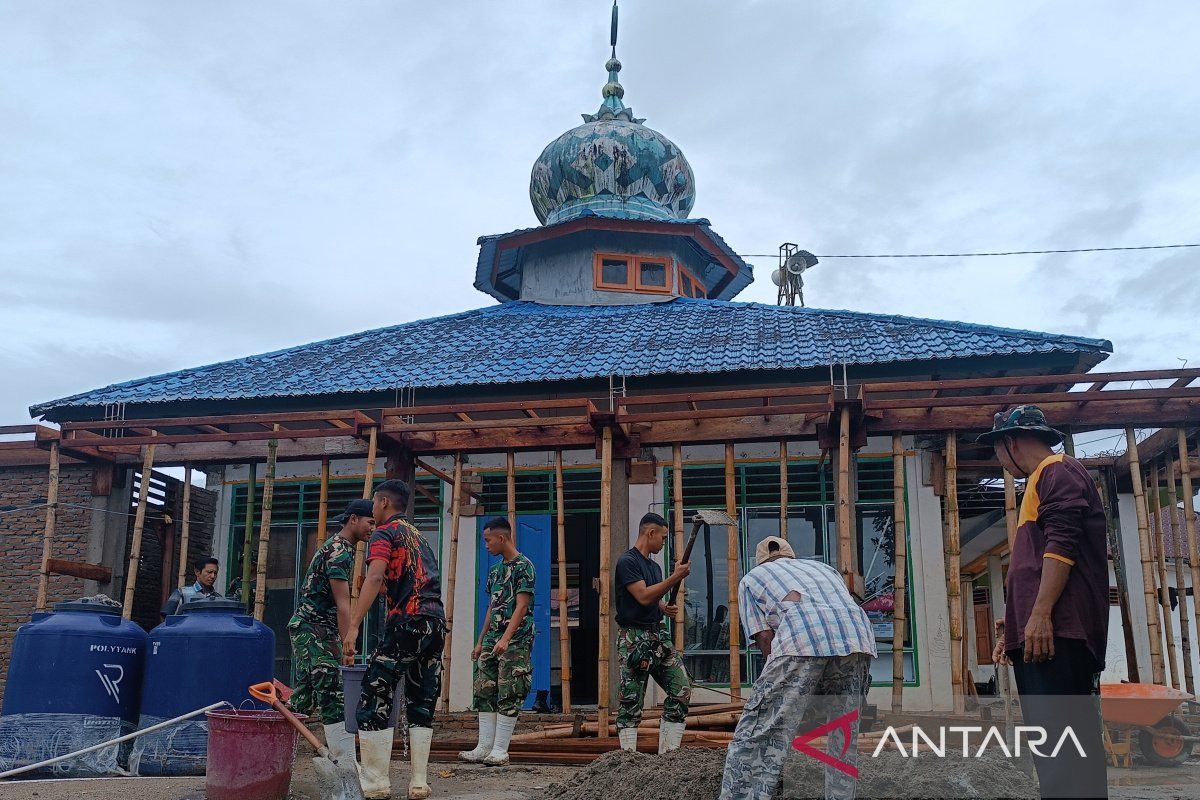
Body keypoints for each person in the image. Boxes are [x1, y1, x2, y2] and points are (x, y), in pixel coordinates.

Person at [981, 405, 1109, 800]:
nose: (999, 460)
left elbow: (1062, 544)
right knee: (1055, 746)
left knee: (1062, 749)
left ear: (1012, 441)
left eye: (998, 451)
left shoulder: (1058, 471)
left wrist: (1038, 615)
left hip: (1058, 633)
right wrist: (1016, 622)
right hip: (1044, 633)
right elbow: (1034, 565)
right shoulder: (1041, 479)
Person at [719, 537, 877, 800]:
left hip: (803, 636)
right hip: (856, 638)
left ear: (761, 560)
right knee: (843, 730)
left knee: (759, 730)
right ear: (791, 556)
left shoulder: (752, 578)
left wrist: (770, 693)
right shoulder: (826, 570)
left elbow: (765, 638)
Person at [342, 479, 445, 800]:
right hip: (436, 624)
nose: (372, 511)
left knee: (375, 691)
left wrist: (354, 625)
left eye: (374, 504)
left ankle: (375, 783)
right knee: (421, 698)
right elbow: (410, 580)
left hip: (406, 622)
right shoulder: (420, 538)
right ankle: (418, 782)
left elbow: (375, 576)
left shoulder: (384, 533)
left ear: (384, 503)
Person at [286, 499, 375, 767]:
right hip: (312, 630)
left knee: (302, 697)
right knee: (332, 692)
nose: (373, 528)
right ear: (354, 519)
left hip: (316, 630)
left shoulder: (339, 547)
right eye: (370, 522)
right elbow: (343, 604)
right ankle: (345, 761)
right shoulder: (340, 552)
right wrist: (349, 644)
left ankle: (270, 747)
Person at [459, 517, 536, 766]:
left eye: (488, 540)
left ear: (501, 538)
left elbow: (522, 606)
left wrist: (506, 638)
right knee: (484, 689)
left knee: (509, 690)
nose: (486, 545)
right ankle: (484, 747)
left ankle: (500, 749)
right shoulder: (495, 571)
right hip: (493, 639)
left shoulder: (525, 566)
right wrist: (481, 641)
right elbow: (491, 608)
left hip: (515, 640)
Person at [614, 512, 692, 754]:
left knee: (682, 689)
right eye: (663, 537)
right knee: (631, 699)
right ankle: (627, 758)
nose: (663, 543)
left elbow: (651, 598)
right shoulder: (627, 562)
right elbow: (642, 595)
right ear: (650, 533)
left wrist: (663, 607)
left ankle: (668, 754)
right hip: (634, 638)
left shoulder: (654, 567)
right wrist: (675, 577)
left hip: (658, 636)